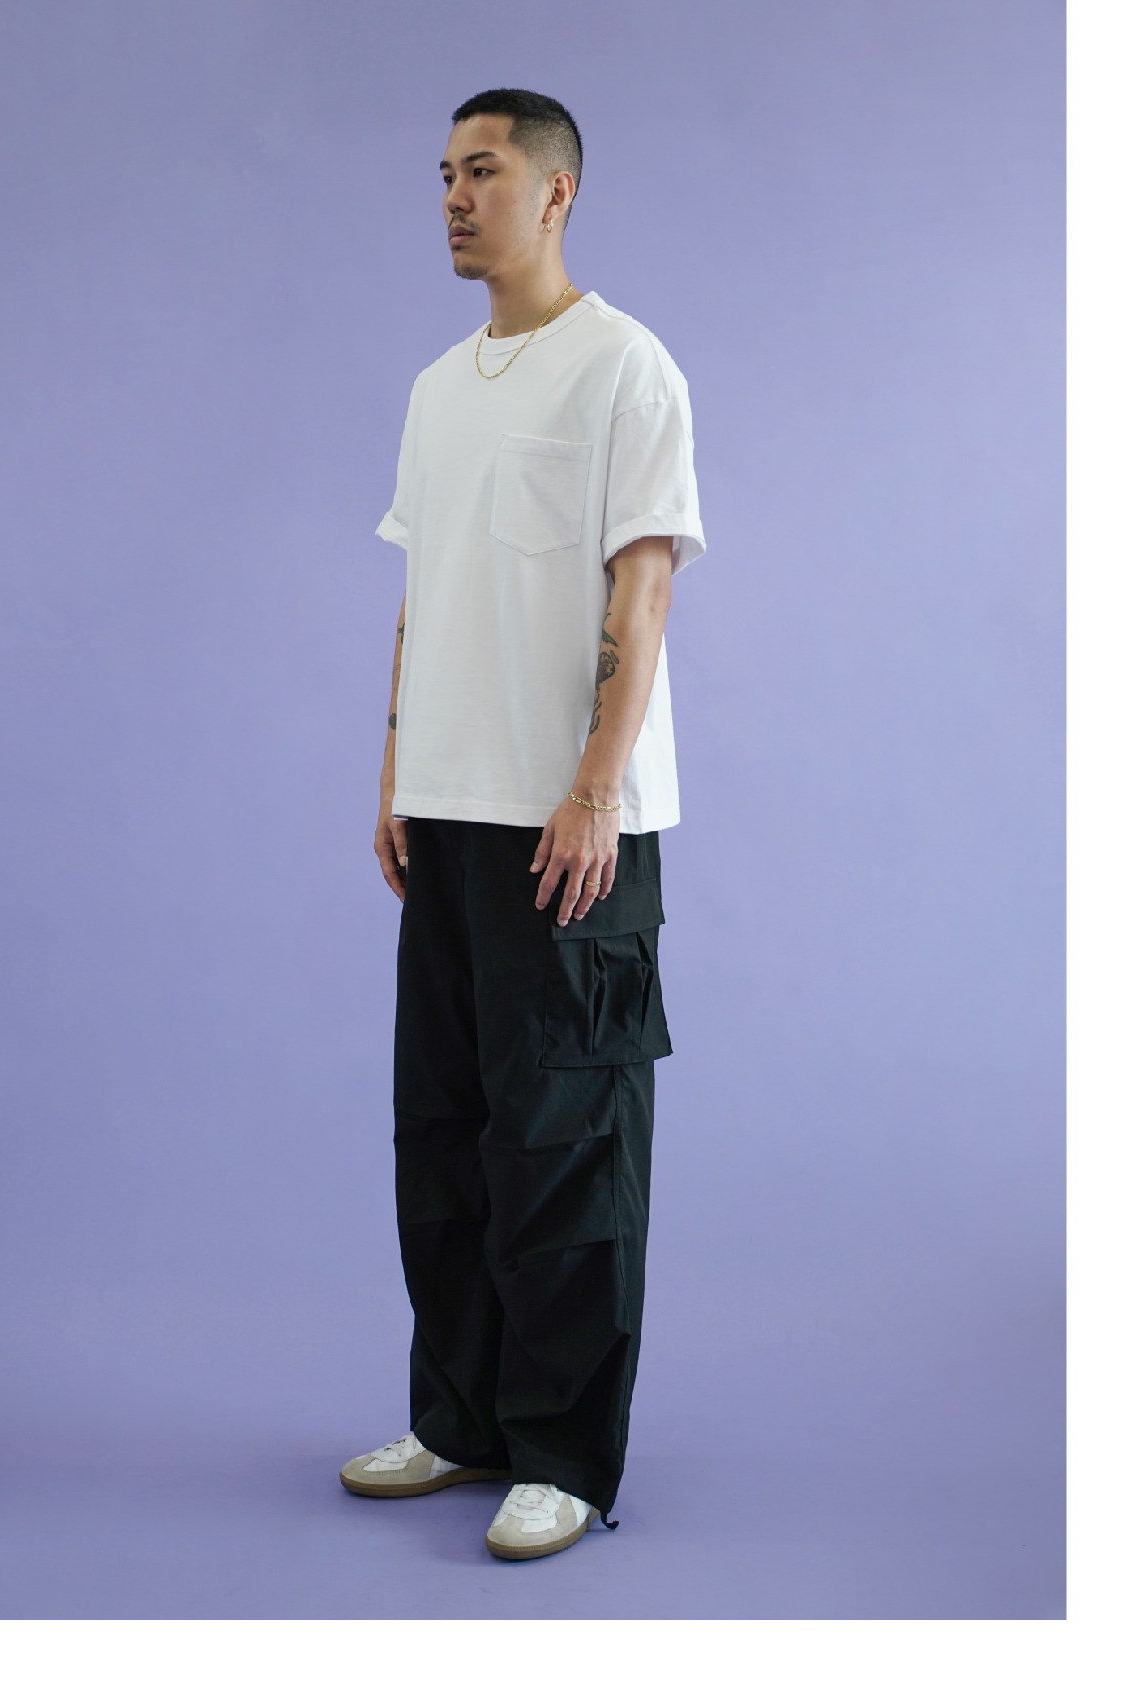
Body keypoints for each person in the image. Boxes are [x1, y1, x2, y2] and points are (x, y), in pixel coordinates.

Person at [339, 88, 706, 1563]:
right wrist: (395, 769)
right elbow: (423, 594)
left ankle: (561, 1452)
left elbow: (645, 587)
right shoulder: (439, 387)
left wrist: (596, 787)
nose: (452, 195)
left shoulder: (626, 367)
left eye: (481, 171)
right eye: (442, 172)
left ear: (555, 192)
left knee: (567, 1139)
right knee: (446, 1132)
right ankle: (461, 1419)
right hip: (451, 810)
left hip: (574, 824)